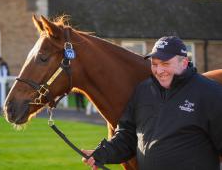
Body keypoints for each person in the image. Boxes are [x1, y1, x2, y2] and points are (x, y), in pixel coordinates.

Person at [82, 36, 222, 170]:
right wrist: (102, 154)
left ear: (184, 63)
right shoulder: (143, 91)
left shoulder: (210, 93)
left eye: (165, 63)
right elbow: (127, 137)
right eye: (154, 64)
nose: (159, 70)